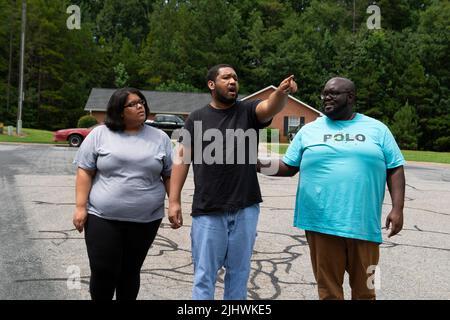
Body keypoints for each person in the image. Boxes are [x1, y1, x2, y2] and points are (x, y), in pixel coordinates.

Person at [261, 77, 406, 300]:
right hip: (320, 224)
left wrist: (398, 209)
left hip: (364, 225)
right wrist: (254, 163)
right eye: (324, 93)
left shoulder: (378, 129)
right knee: (328, 291)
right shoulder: (308, 130)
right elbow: (287, 167)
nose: (327, 97)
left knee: (367, 289)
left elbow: (395, 168)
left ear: (350, 97)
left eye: (334, 93)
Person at [168, 64, 297, 300]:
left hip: (245, 207)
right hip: (208, 209)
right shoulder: (197, 118)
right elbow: (181, 160)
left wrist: (281, 93)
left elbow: (269, 107)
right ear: (211, 84)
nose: (232, 81)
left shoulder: (247, 111)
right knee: (204, 274)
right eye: (226, 77)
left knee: (239, 273)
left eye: (235, 78)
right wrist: (173, 200)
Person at [72, 87, 173, 300]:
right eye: (133, 104)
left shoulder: (160, 137)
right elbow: (85, 170)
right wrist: (80, 207)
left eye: (142, 102)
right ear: (119, 111)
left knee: (130, 271)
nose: (140, 106)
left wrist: (174, 203)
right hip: (102, 217)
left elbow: (169, 174)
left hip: (146, 219)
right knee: (103, 270)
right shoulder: (100, 134)